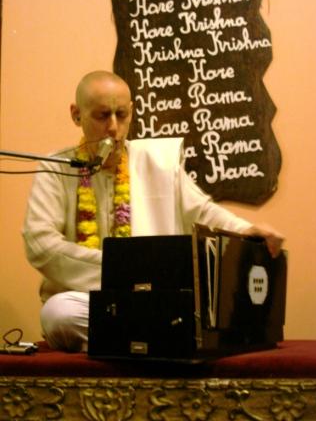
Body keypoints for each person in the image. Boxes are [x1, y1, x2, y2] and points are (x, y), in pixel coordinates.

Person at [23, 70, 284, 352]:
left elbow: (203, 212)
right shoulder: (56, 167)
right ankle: (161, 338)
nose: (113, 127)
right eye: (102, 115)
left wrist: (246, 230)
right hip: (90, 299)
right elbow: (40, 243)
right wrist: (121, 272)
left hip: (157, 299)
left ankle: (142, 337)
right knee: (58, 314)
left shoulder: (158, 162)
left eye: (121, 114)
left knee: (182, 310)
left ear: (132, 112)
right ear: (76, 115)